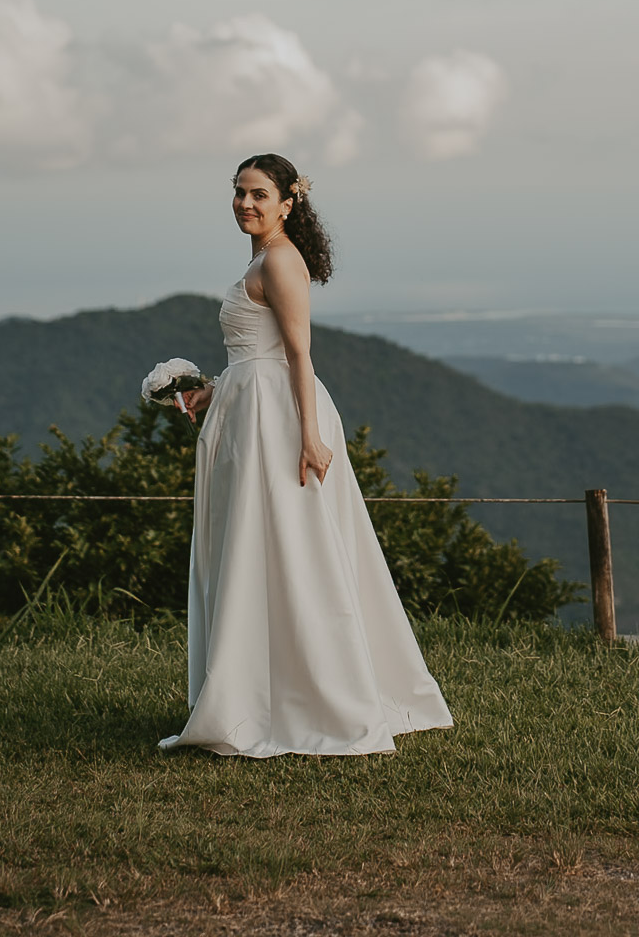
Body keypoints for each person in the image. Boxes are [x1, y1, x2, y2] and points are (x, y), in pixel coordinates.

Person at [158, 153, 453, 758]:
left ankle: (312, 698)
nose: (245, 203)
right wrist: (213, 388)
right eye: (239, 192)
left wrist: (310, 437)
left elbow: (298, 355)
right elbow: (257, 354)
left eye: (259, 194)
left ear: (288, 203)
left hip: (280, 420)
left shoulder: (282, 259)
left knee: (296, 552)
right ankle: (258, 691)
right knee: (256, 550)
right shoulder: (261, 256)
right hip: (249, 408)